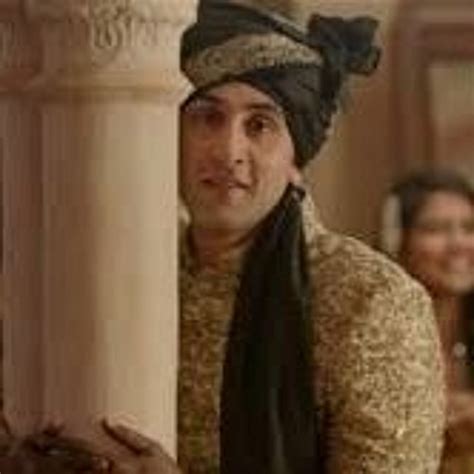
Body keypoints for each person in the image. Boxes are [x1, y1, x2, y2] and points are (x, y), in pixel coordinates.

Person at [0, 1, 444, 472]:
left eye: (259, 125)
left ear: (296, 160)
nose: (229, 151)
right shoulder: (129, 270)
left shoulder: (369, 300)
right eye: (207, 118)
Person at [380, 169, 474, 474]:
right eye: (436, 229)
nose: (459, 244)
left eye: (469, 227)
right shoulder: (376, 340)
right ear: (397, 242)